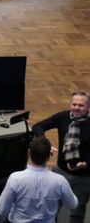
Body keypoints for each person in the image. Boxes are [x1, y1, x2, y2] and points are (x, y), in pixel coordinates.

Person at [33, 91, 90, 223]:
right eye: (74, 104)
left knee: (77, 211)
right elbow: (38, 126)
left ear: (88, 107)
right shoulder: (63, 117)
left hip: (84, 176)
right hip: (61, 172)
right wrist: (45, 143)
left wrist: (86, 164)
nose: (76, 107)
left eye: (80, 105)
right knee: (52, 207)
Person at [0, 135, 77, 223]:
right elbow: (72, 204)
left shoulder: (15, 178)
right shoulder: (60, 181)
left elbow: (2, 209)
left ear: (29, 152)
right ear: (49, 156)